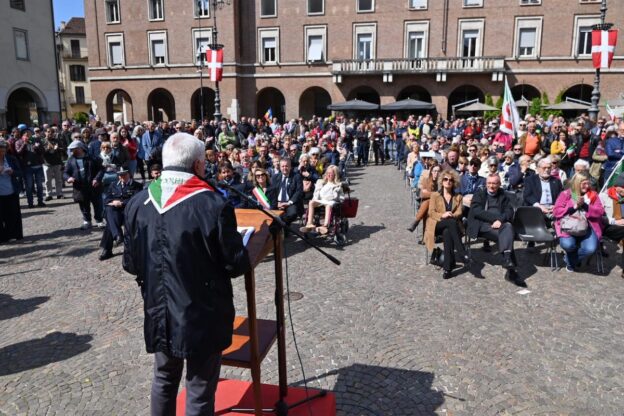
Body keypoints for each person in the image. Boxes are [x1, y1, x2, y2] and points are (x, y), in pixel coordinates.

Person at [123, 132, 250, 416]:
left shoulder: (137, 203)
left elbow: (130, 264)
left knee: (164, 379)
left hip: (159, 309)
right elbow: (235, 265)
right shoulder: (213, 205)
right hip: (202, 313)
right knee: (199, 389)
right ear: (197, 166)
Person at [468, 174, 524, 286]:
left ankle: (507, 260)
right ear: (486, 184)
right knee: (506, 234)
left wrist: (501, 221)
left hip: (500, 225)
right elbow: (476, 211)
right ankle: (512, 271)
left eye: (494, 183)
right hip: (482, 225)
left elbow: (509, 211)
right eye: (489, 183)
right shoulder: (479, 193)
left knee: (507, 228)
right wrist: (496, 219)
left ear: (499, 184)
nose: (491, 186)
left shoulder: (504, 194)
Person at [553, 172, 605, 272]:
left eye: (588, 183)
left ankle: (569, 260)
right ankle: (573, 257)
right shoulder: (566, 194)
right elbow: (556, 212)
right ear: (576, 183)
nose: (587, 186)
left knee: (590, 249)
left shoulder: (593, 195)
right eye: (583, 183)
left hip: (588, 227)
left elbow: (600, 212)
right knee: (568, 245)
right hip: (568, 226)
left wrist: (585, 206)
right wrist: (574, 207)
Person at [424, 169, 469, 279]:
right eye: (445, 179)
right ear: (442, 181)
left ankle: (447, 268)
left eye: (451, 180)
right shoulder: (435, 195)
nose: (448, 181)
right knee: (449, 224)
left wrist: (452, 215)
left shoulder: (458, 197)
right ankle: (461, 251)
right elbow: (431, 212)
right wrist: (443, 215)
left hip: (451, 225)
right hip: (436, 224)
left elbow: (459, 212)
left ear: (454, 182)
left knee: (448, 231)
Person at [99, 168, 143, 260]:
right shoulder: (113, 185)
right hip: (115, 211)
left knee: (110, 225)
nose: (121, 177)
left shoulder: (137, 185)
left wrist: (122, 203)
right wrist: (114, 201)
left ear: (129, 174)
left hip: (129, 211)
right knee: (109, 209)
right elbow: (106, 199)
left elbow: (137, 200)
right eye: (120, 175)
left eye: (124, 175)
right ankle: (118, 235)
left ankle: (107, 248)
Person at [64, 140, 105, 230]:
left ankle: (99, 221)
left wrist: (97, 179)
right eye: (71, 149)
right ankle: (87, 221)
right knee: (84, 205)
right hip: (80, 187)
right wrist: (68, 178)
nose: (72, 151)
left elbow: (101, 169)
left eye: (74, 149)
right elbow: (66, 173)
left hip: (94, 186)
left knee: (98, 204)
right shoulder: (71, 160)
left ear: (80, 148)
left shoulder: (92, 158)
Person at [300, 165, 344, 235]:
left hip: (331, 202)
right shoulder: (322, 183)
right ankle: (309, 223)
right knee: (311, 202)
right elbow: (317, 194)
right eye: (327, 173)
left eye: (331, 173)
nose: (328, 175)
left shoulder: (338, 185)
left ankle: (325, 225)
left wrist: (338, 199)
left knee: (328, 205)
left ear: (335, 175)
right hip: (322, 200)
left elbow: (342, 198)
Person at [522, 157, 563, 222]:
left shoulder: (556, 181)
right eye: (544, 168)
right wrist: (539, 206)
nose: (546, 170)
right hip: (537, 208)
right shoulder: (530, 180)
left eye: (549, 168)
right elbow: (527, 195)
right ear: (538, 169)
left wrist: (556, 205)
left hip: (552, 208)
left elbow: (561, 196)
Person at [0, 140, 23, 243]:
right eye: (0, 151)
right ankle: (2, 236)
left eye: (3, 151)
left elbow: (20, 173)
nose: (2, 154)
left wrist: (13, 172)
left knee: (13, 215)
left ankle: (13, 234)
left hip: (11, 190)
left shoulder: (11, 159)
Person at [272, 158, 304, 224]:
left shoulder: (296, 176)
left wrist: (289, 203)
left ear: (290, 167)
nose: (284, 168)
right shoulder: (275, 177)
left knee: (292, 214)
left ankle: (283, 226)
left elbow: (299, 191)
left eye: (286, 166)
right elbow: (272, 192)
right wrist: (276, 203)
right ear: (280, 167)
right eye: (282, 166)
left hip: (290, 202)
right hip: (278, 203)